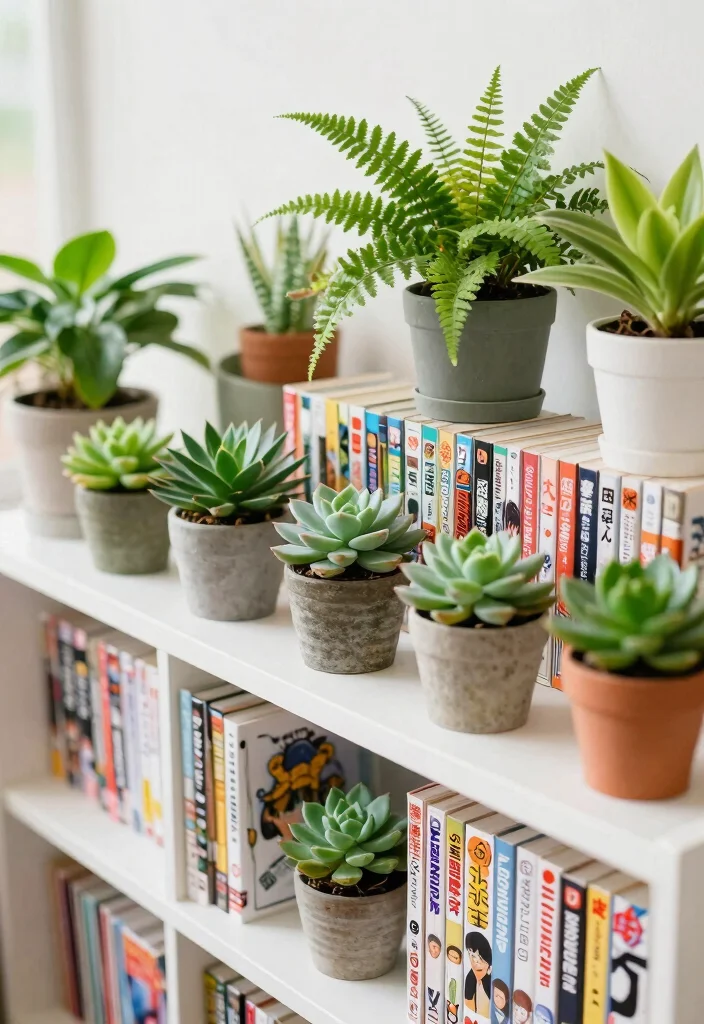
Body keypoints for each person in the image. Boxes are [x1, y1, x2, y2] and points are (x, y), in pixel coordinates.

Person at [465, 932, 492, 1016]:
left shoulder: (492, 982)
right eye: (472, 956)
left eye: (480, 957)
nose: (476, 962)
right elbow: (468, 1007)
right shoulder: (470, 978)